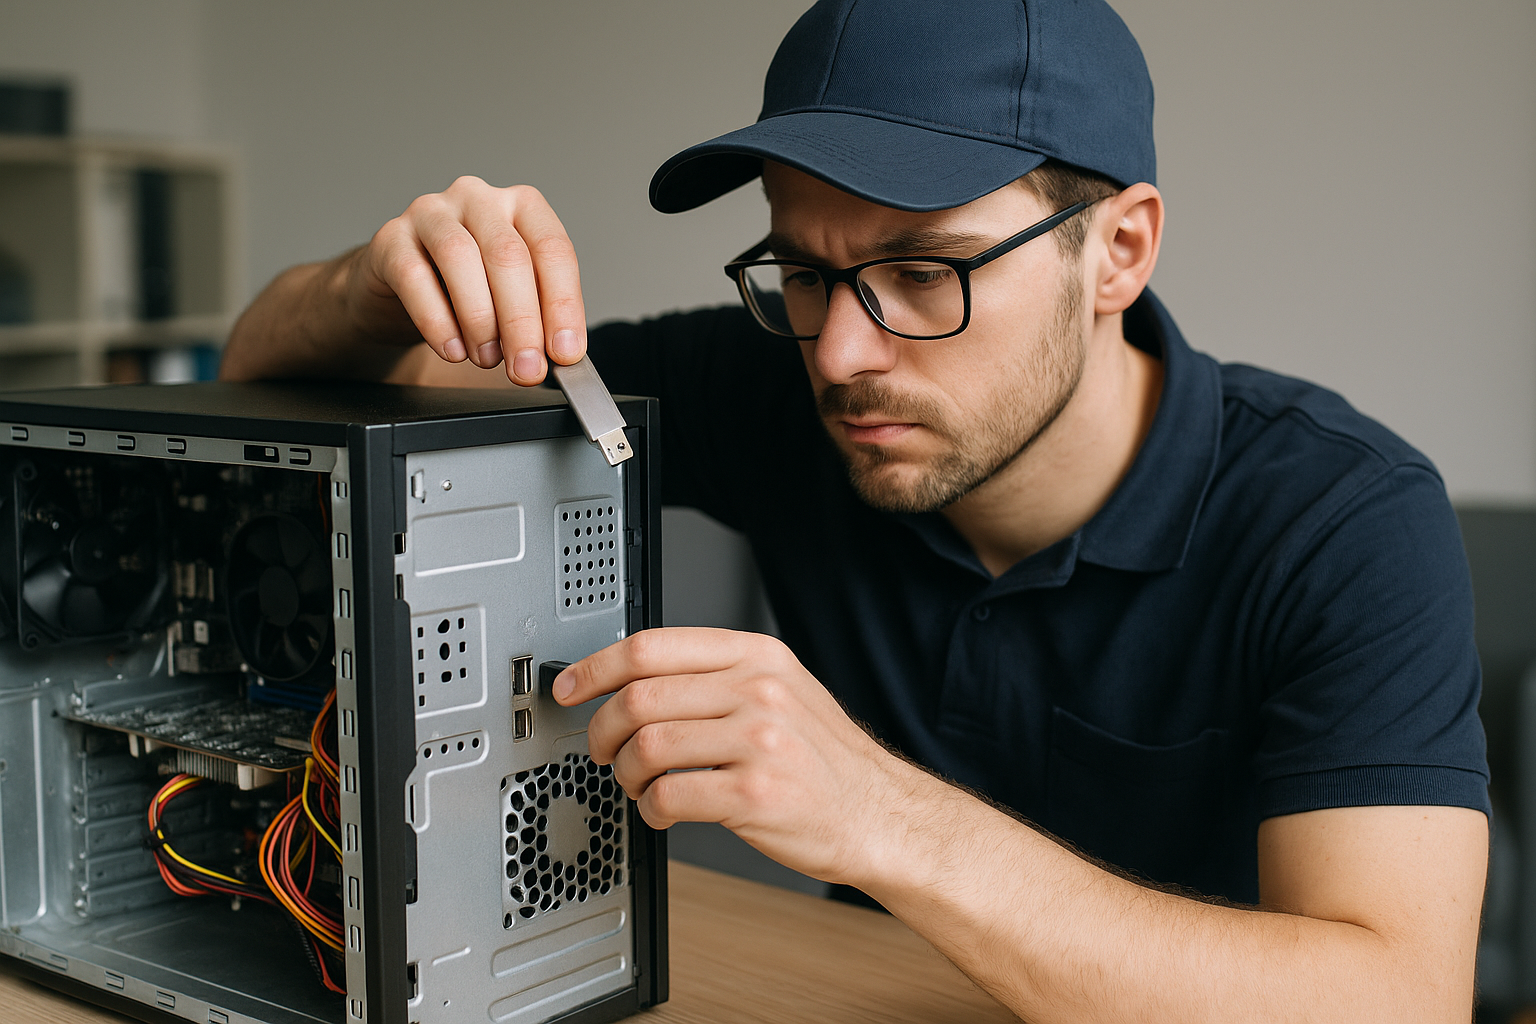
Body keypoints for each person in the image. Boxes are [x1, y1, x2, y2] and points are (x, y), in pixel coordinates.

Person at [221, 1, 1490, 1019]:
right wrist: (375, 282)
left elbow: (1398, 994)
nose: (839, 355)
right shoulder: (787, 384)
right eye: (807, 272)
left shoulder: (1343, 519)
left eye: (922, 271)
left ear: (1119, 251)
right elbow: (270, 387)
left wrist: (883, 816)